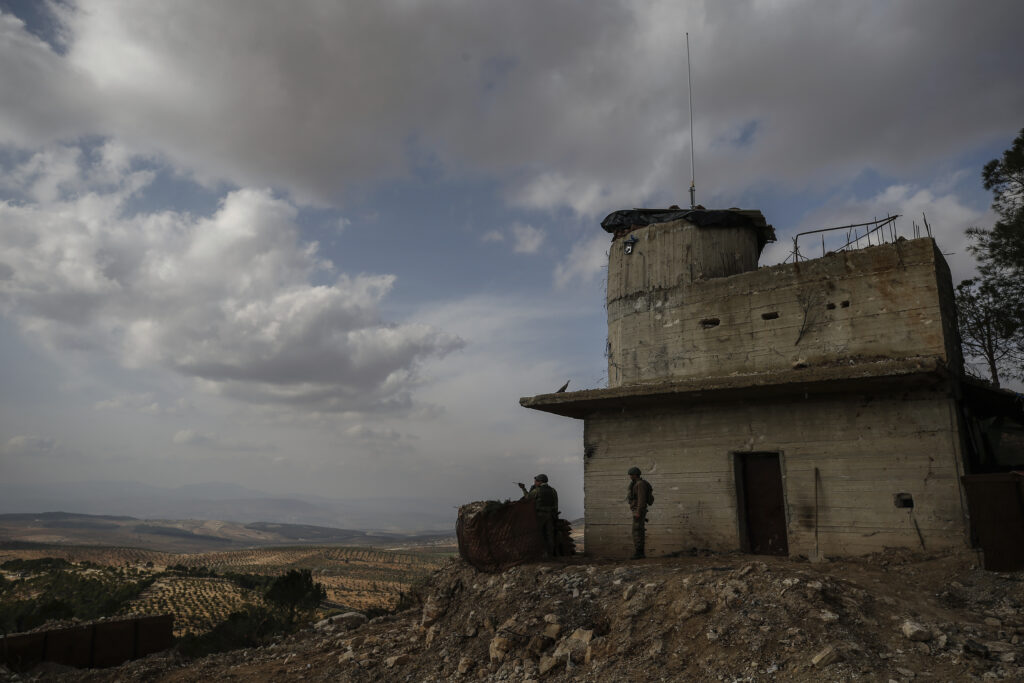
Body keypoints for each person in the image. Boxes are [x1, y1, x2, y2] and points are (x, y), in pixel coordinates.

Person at [518, 474, 558, 557]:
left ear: (540, 482)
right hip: (550, 516)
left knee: (539, 534)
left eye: (536, 481)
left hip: (540, 516)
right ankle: (551, 554)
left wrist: (523, 488)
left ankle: (541, 554)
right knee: (549, 535)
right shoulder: (553, 490)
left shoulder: (537, 490)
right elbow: (556, 504)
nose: (535, 482)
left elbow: (528, 497)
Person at [627, 466, 651, 559]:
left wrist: (638, 512)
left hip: (639, 510)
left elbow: (641, 499)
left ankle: (639, 553)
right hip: (638, 510)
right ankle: (640, 552)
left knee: (636, 531)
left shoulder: (640, 484)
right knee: (638, 530)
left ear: (635, 475)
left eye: (631, 475)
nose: (630, 476)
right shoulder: (636, 483)